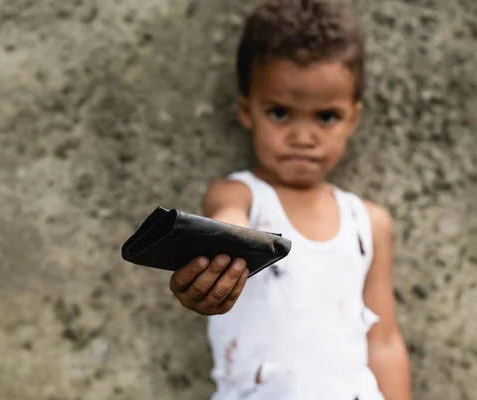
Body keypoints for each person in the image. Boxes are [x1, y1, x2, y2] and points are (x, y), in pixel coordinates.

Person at [168, 0, 412, 398]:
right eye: (280, 113)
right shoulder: (242, 195)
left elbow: (383, 340)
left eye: (326, 116)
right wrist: (215, 269)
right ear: (247, 111)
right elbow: (230, 227)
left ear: (353, 118)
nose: (303, 136)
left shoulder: (368, 224)